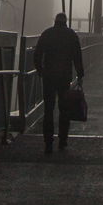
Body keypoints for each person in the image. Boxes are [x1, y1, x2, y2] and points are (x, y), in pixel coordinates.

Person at [33, 12, 85, 154]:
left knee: (48, 110)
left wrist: (40, 70)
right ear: (66, 22)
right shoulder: (71, 35)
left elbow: (37, 54)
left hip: (49, 77)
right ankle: (62, 140)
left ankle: (48, 142)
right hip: (64, 77)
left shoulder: (47, 34)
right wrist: (80, 74)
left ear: (55, 21)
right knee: (64, 109)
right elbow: (77, 56)